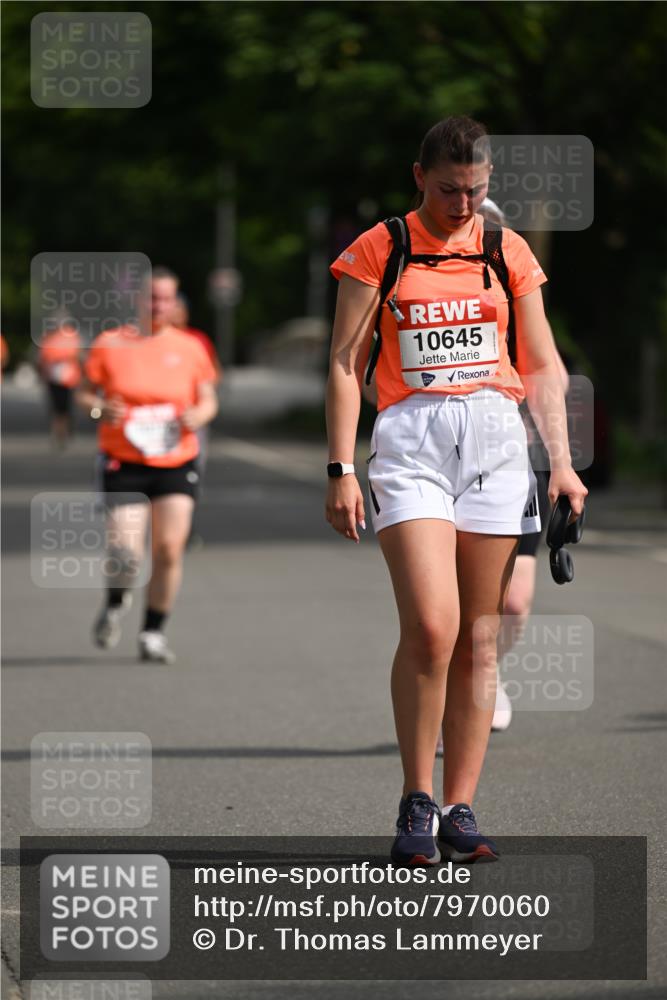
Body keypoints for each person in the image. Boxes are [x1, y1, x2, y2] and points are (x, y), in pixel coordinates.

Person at [326, 116, 587, 864]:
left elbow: (541, 364)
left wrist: (562, 464)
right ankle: (416, 796)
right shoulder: (383, 246)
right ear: (419, 177)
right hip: (411, 443)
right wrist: (340, 466)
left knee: (479, 636)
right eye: (448, 189)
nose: (462, 204)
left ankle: (460, 805)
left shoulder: (506, 249)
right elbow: (346, 366)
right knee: (433, 629)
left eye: (475, 191)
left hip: (495, 442)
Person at [76, 267, 218, 664]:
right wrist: (100, 408)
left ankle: (153, 632)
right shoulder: (109, 343)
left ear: (176, 303)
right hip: (124, 459)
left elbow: (208, 398)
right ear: (137, 300)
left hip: (176, 458)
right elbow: (84, 394)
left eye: (166, 299)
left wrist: (198, 416)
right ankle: (116, 598)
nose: (158, 305)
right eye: (151, 298)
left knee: (169, 549)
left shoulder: (191, 346)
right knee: (126, 552)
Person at [38, 321, 83, 448]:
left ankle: (66, 432)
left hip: (70, 378)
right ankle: (57, 433)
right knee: (55, 407)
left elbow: (77, 354)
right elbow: (43, 357)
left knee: (66, 407)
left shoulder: (71, 336)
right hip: (53, 378)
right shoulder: (49, 336)